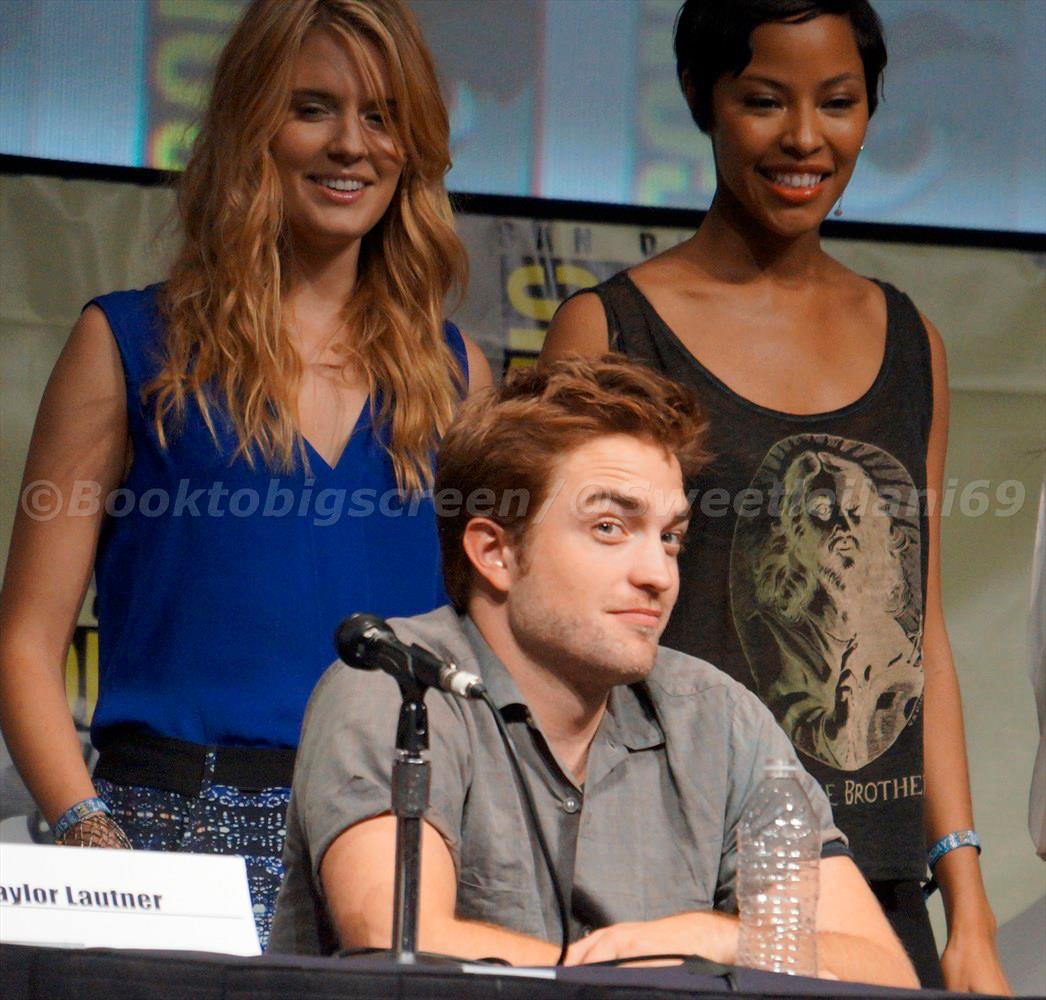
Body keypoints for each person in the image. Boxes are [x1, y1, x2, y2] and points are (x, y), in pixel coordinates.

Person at [0, 0, 490, 947]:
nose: (351, 145)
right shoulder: (127, 344)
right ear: (248, 126)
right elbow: (24, 644)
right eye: (312, 108)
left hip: (402, 851)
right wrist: (97, 846)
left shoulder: (455, 374)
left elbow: (488, 651)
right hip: (171, 838)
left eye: (382, 116)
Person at [541, 1, 1007, 991]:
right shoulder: (609, 333)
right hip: (671, 881)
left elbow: (917, 629)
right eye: (763, 101)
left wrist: (965, 906)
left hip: (875, 898)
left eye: (836, 102)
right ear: (700, 99)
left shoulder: (908, 340)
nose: (803, 137)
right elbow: (558, 631)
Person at [269, 356, 917, 986]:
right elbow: (401, 941)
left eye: (669, 537)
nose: (658, 574)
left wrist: (715, 940)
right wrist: (651, 975)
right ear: (495, 552)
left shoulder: (719, 717)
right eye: (610, 527)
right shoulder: (399, 686)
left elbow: (882, 972)